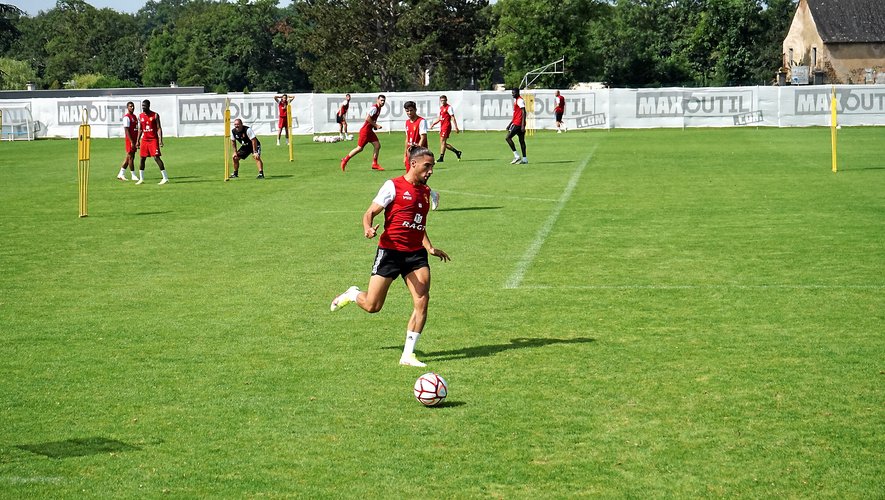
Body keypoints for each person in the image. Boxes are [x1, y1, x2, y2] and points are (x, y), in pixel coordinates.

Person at [330, 147, 450, 367]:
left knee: (422, 300)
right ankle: (353, 294)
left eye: (432, 166)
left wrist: (430, 248)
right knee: (373, 306)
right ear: (413, 164)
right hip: (390, 252)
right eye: (427, 166)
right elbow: (369, 213)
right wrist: (367, 228)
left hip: (415, 254)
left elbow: (417, 225)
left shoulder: (425, 191)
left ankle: (408, 354)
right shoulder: (392, 186)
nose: (431, 171)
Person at [404, 101, 439, 210]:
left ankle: (429, 196)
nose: (409, 112)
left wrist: (417, 151)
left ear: (415, 110)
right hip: (410, 156)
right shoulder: (407, 122)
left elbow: (423, 137)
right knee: (411, 179)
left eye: (411, 110)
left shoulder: (421, 121)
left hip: (420, 155)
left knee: (417, 179)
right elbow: (407, 139)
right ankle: (428, 196)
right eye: (407, 111)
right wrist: (405, 154)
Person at [341, 94, 386, 172]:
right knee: (359, 148)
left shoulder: (378, 108)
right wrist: (376, 125)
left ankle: (374, 164)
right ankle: (345, 160)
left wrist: (374, 126)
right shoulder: (375, 108)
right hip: (365, 131)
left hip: (369, 131)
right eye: (381, 100)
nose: (383, 102)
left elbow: (371, 118)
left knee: (377, 145)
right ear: (377, 100)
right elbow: (367, 118)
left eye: (384, 101)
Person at [135, 99, 169, 185]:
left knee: (156, 157)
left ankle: (165, 178)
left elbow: (159, 128)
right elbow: (140, 129)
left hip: (153, 139)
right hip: (145, 140)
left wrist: (161, 140)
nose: (143, 107)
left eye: (144, 106)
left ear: (148, 106)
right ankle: (141, 179)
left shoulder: (155, 115)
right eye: (142, 106)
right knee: (142, 158)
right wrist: (137, 141)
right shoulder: (140, 116)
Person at [429, 95, 461, 163]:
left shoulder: (449, 107)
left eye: (444, 100)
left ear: (446, 100)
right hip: (442, 126)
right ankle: (457, 152)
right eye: (442, 100)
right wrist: (434, 123)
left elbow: (452, 117)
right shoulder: (441, 108)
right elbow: (440, 118)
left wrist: (456, 127)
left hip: (446, 126)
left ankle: (441, 158)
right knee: (443, 143)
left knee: (443, 142)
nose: (443, 102)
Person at [116, 101, 139, 181]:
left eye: (133, 106)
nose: (132, 107)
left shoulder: (134, 116)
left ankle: (121, 174)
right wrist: (132, 141)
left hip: (134, 139)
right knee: (131, 157)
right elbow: (126, 130)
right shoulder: (127, 117)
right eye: (130, 106)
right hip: (130, 140)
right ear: (127, 107)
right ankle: (133, 175)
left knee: (129, 157)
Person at [505, 88, 528, 164]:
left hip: (518, 123)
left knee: (508, 138)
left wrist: (522, 125)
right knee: (521, 141)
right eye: (512, 93)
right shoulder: (516, 100)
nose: (512, 94)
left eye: (514, 93)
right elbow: (516, 114)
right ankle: (524, 159)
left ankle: (517, 156)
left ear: (517, 93)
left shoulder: (520, 100)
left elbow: (524, 112)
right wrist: (510, 124)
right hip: (517, 122)